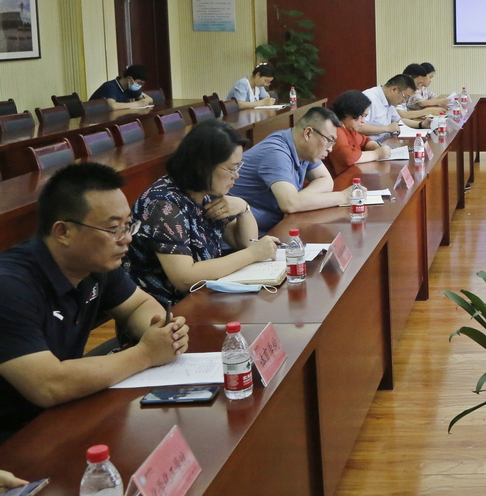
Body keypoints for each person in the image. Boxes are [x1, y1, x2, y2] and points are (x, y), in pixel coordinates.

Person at [0, 164, 189, 439]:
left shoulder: (95, 263)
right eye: (113, 229)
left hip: (63, 412)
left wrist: (160, 331)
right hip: (14, 435)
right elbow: (48, 385)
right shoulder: (10, 286)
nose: (127, 239)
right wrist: (147, 353)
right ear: (63, 232)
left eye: (128, 225)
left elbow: (138, 305)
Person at [126, 120, 280, 308]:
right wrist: (251, 254)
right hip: (164, 311)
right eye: (231, 169)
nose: (236, 175)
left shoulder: (203, 193)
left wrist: (243, 208)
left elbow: (245, 242)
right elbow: (184, 278)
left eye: (238, 167)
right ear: (202, 167)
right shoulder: (163, 205)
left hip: (203, 297)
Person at [228, 107, 353, 232]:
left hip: (273, 227)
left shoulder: (304, 149)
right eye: (328, 140)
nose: (330, 149)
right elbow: (290, 204)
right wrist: (343, 197)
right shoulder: (275, 152)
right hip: (247, 234)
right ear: (308, 133)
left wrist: (300, 198)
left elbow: (325, 179)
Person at [328, 90, 394, 176]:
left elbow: (364, 141)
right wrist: (376, 154)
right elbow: (348, 157)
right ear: (349, 113)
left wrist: (377, 147)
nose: (363, 121)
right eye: (362, 116)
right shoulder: (336, 130)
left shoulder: (349, 128)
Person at [360, 74, 432, 138]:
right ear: (394, 89)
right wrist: (386, 128)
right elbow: (359, 126)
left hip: (386, 142)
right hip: (370, 145)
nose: (404, 101)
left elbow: (398, 120)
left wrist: (421, 124)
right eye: (405, 97)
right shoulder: (369, 98)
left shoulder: (388, 99)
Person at [89, 64, 153, 110]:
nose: (139, 86)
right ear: (129, 79)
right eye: (139, 83)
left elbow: (150, 99)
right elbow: (113, 106)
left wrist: (144, 102)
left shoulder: (129, 87)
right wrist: (138, 104)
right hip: (94, 120)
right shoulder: (110, 86)